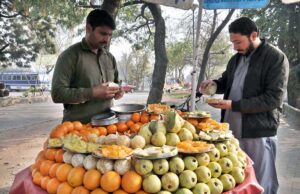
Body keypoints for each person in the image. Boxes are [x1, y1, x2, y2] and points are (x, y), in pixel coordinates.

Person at [199, 17, 289, 194]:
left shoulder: (275, 58)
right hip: (232, 133)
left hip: (258, 133)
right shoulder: (236, 59)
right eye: (232, 42)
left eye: (238, 42)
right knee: (238, 180)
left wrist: (233, 105)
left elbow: (273, 99)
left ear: (253, 35)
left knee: (263, 183)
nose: (234, 47)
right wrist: (213, 85)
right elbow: (226, 82)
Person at [51, 9, 123, 124]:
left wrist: (118, 92)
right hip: (78, 128)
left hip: (109, 125)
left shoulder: (109, 58)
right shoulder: (69, 56)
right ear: (88, 28)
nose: (107, 39)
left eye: (110, 35)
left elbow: (116, 85)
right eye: (103, 34)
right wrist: (92, 92)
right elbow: (57, 94)